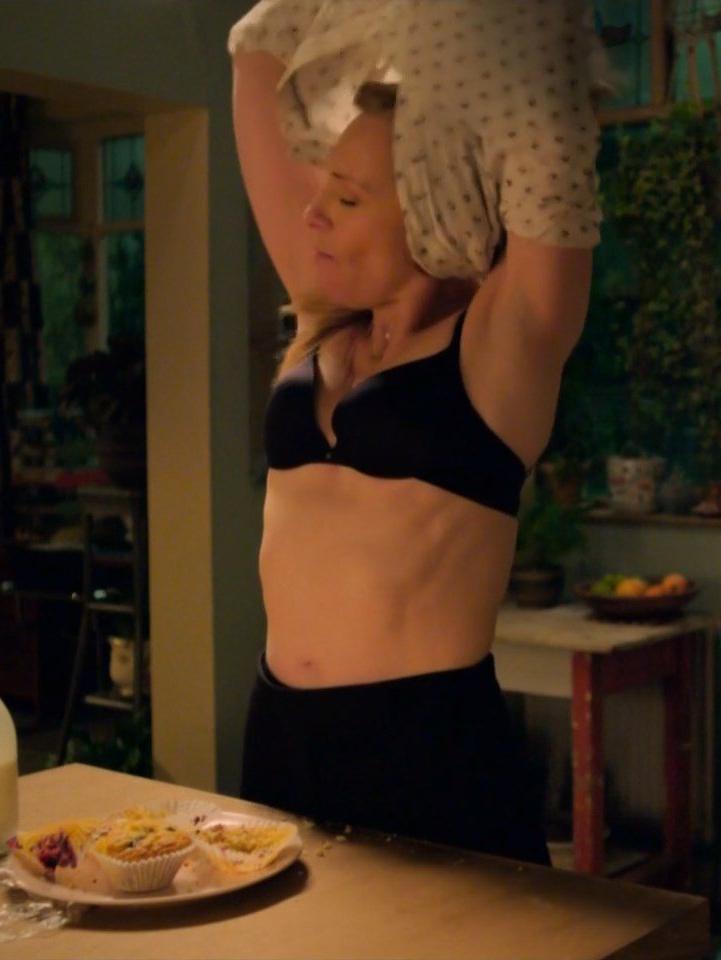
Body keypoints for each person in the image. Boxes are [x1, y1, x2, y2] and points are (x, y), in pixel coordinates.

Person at [227, 1, 604, 866]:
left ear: (434, 215)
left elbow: (550, 143)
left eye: (347, 196)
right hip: (278, 734)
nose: (313, 215)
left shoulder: (505, 344)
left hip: (425, 756)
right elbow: (255, 57)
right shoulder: (322, 313)